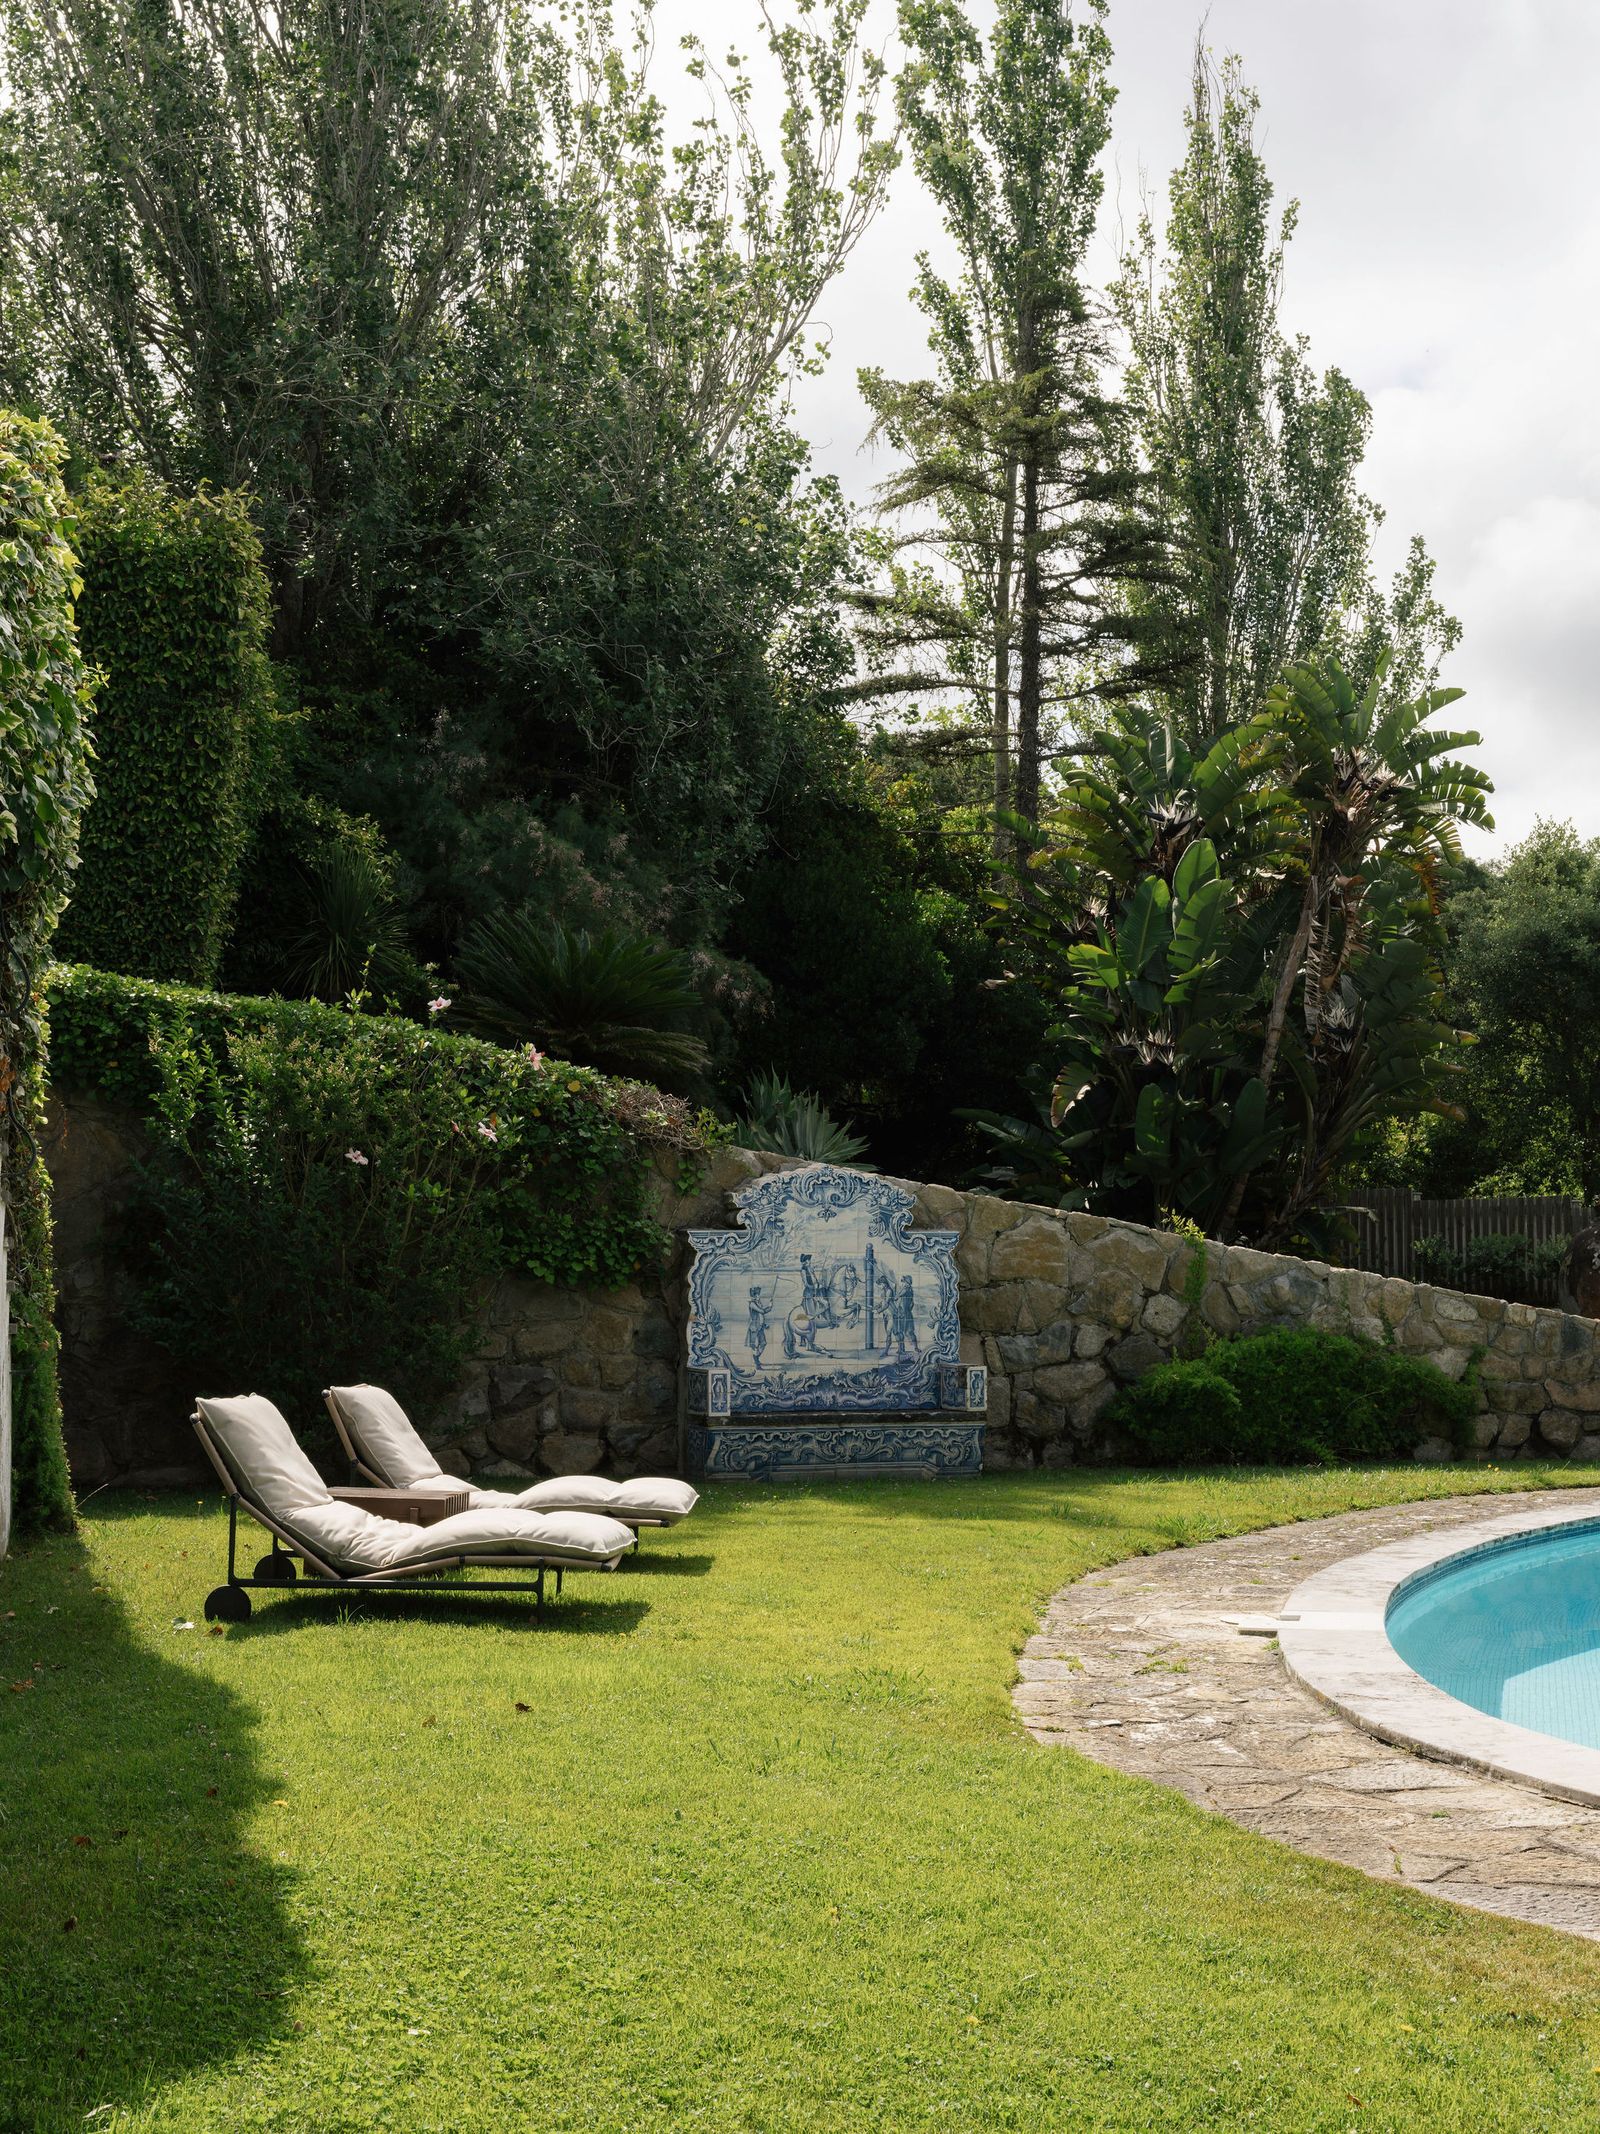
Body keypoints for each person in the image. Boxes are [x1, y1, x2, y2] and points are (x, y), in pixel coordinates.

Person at [891, 1274, 919, 1360]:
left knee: (901, 1331)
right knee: (909, 1332)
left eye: (903, 1281)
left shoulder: (905, 1289)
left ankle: (902, 1349)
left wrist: (894, 1288)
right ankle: (915, 1348)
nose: (902, 1283)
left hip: (903, 1314)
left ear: (907, 1282)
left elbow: (896, 1297)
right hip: (907, 1313)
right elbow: (912, 1304)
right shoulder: (910, 1290)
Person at [746, 1284, 772, 1367]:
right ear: (754, 1295)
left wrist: (770, 1307)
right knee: (756, 1345)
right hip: (754, 1327)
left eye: (758, 1294)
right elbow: (762, 1311)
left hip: (760, 1327)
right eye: (757, 1294)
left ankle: (756, 1357)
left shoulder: (757, 1303)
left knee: (763, 1343)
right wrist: (768, 1307)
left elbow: (761, 1315)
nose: (759, 1296)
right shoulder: (752, 1304)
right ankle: (756, 1361)